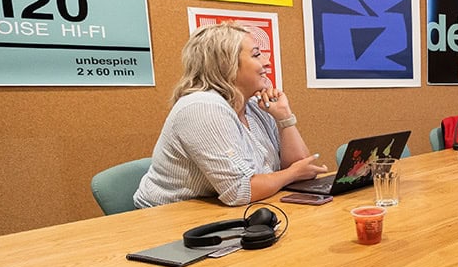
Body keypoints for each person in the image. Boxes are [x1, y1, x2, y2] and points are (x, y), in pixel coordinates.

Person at [134, 23, 327, 208]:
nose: (267, 62)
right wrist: (291, 174)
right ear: (227, 64)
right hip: (166, 220)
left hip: (223, 214)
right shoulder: (202, 107)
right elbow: (239, 190)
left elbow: (302, 167)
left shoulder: (255, 105)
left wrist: (284, 118)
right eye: (256, 55)